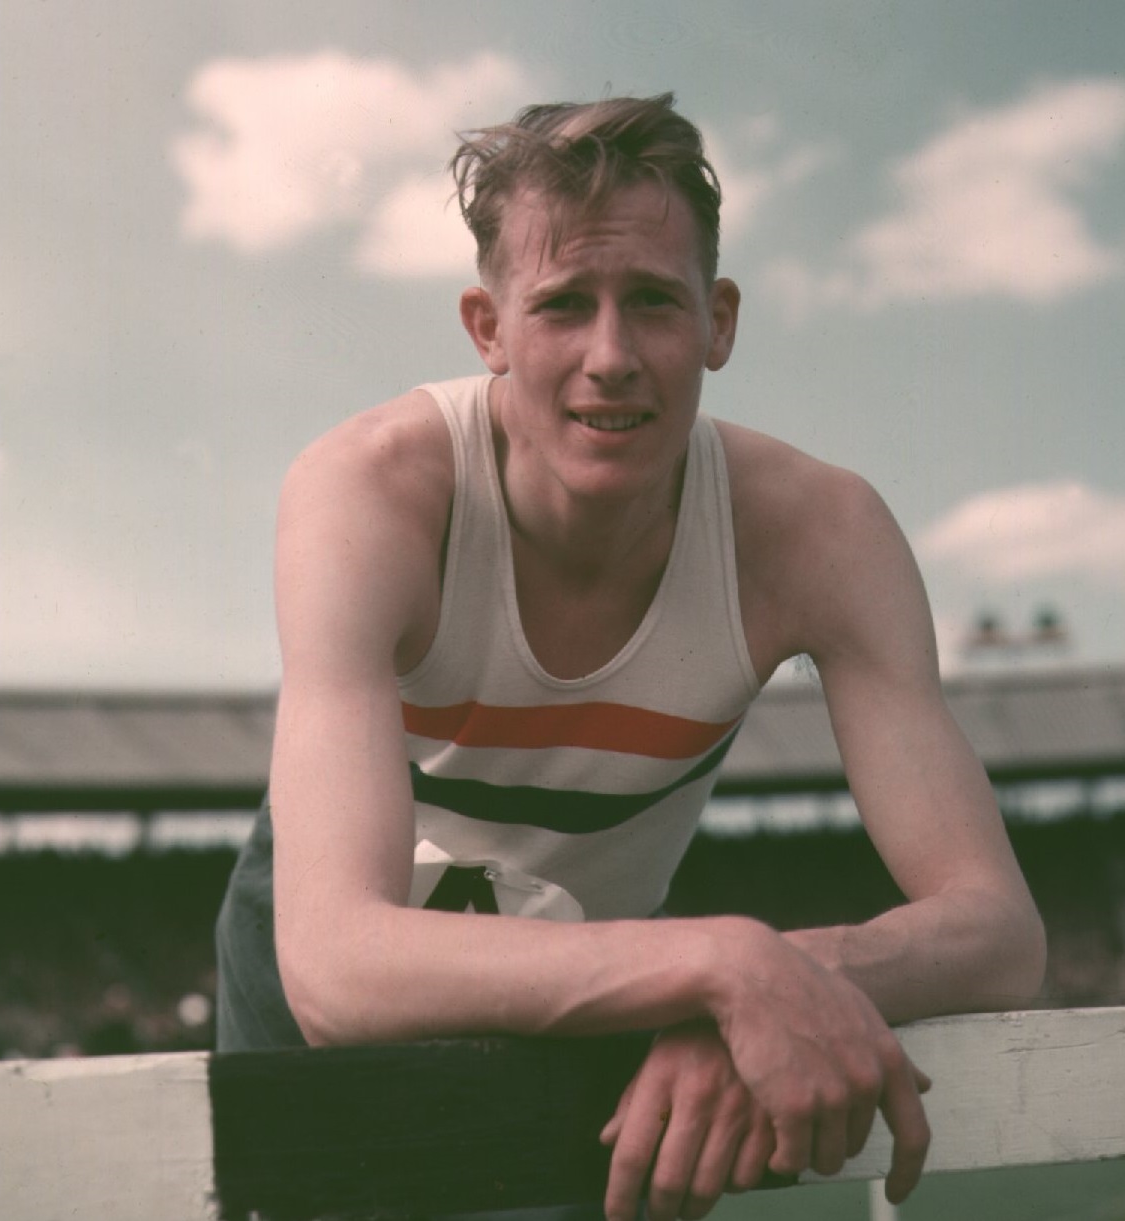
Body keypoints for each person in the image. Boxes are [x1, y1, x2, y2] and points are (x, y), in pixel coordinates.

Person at [215, 93, 1046, 1221]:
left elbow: (998, 930)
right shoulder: (373, 489)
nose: (611, 356)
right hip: (369, 950)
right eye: (562, 305)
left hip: (606, 961)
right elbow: (335, 969)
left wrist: (767, 983)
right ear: (487, 327)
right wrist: (722, 968)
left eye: (654, 300)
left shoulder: (820, 533)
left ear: (719, 321)